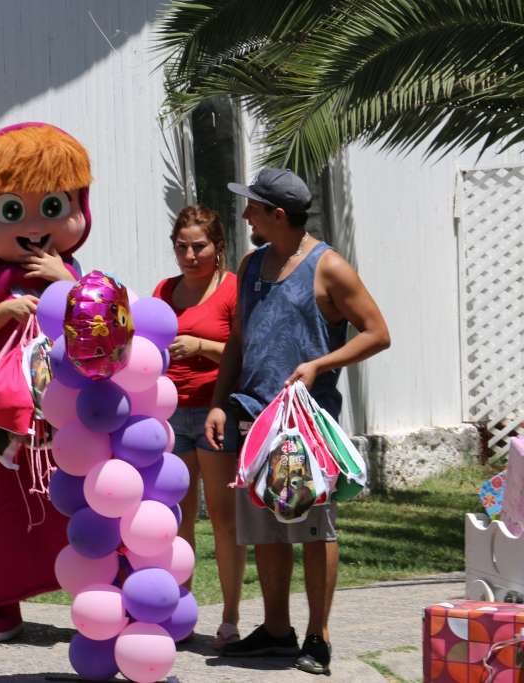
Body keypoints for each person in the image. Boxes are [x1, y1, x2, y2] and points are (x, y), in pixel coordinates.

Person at [205, 168, 390, 675]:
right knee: (266, 526)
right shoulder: (250, 265)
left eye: (254, 207)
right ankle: (276, 630)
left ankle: (318, 637)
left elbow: (377, 333)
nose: (246, 215)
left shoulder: (329, 267)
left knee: (312, 527)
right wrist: (220, 402)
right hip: (255, 416)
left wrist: (319, 365)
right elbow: (238, 340)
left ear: (278, 214)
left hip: (307, 425)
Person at [0, 123, 92, 643]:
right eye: (12, 210)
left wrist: (68, 283)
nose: (34, 225)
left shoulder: (75, 271)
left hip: (70, 417)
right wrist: (5, 310)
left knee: (78, 503)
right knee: (2, 507)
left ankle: (97, 601)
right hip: (5, 418)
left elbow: (102, 327)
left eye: (52, 206)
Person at [153, 205, 244, 650]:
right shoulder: (164, 290)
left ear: (218, 246)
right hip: (170, 414)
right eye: (181, 247)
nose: (190, 256)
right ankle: (180, 612)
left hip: (215, 412)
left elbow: (245, 351)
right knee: (178, 520)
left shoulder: (232, 289)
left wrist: (202, 345)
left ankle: (230, 618)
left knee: (224, 521)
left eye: (199, 247)